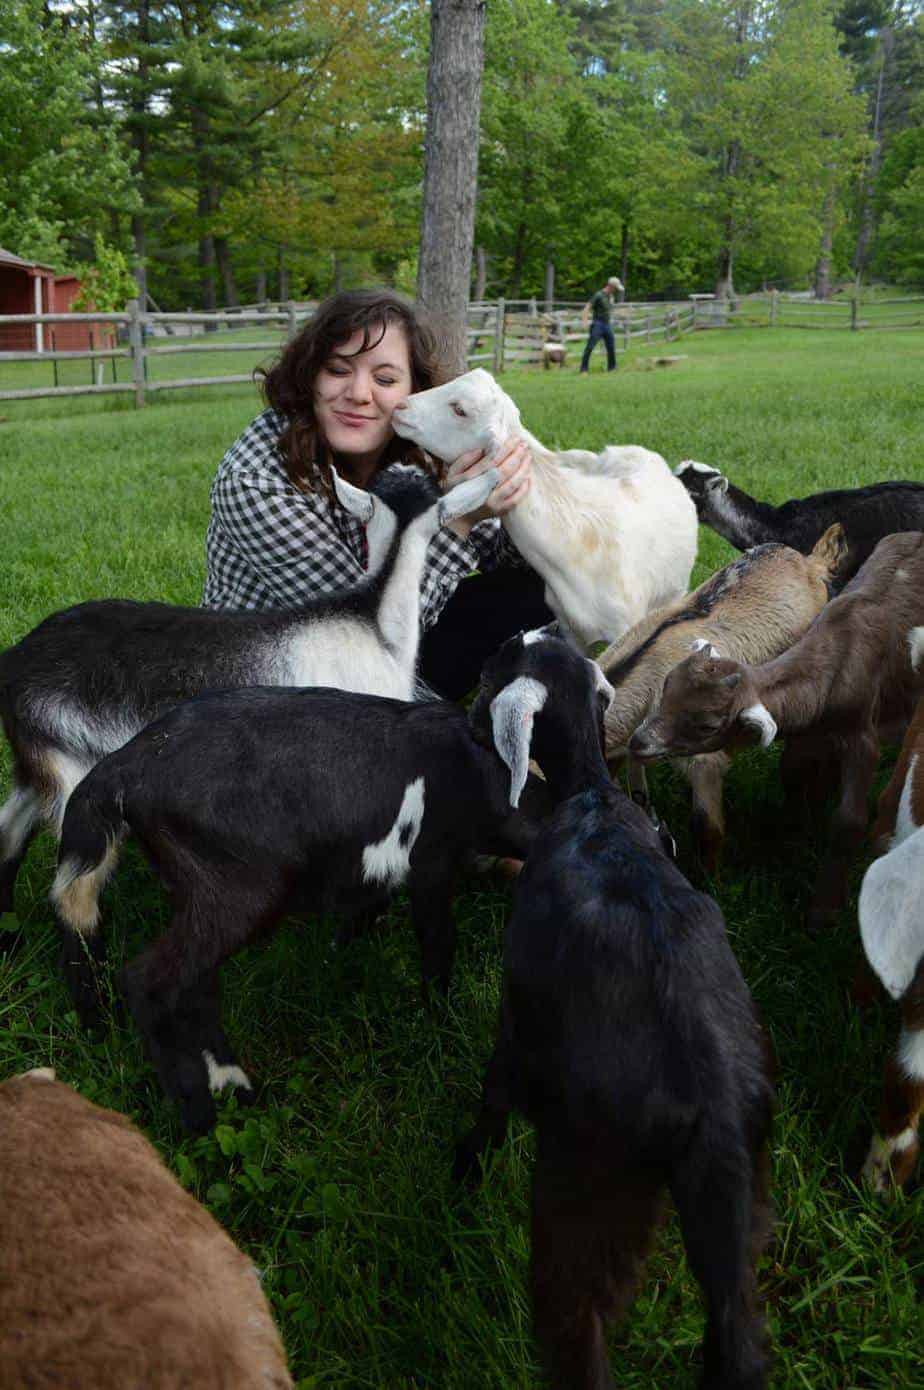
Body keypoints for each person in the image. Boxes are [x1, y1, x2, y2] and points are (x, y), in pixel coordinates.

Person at [202, 288, 552, 700]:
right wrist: (456, 519)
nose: (359, 394)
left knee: (542, 589)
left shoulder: (419, 438)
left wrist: (513, 501)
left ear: (414, 389)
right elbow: (356, 643)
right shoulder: (255, 478)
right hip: (279, 684)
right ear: (309, 375)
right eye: (336, 370)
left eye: (385, 379)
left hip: (393, 630)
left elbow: (509, 558)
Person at [579, 275, 623, 373]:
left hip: (607, 325)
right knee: (590, 346)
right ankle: (583, 369)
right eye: (615, 288)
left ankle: (612, 368)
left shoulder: (611, 296)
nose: (616, 290)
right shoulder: (598, 295)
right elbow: (587, 307)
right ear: (611, 286)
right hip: (597, 324)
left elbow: (609, 310)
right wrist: (584, 322)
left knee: (611, 346)